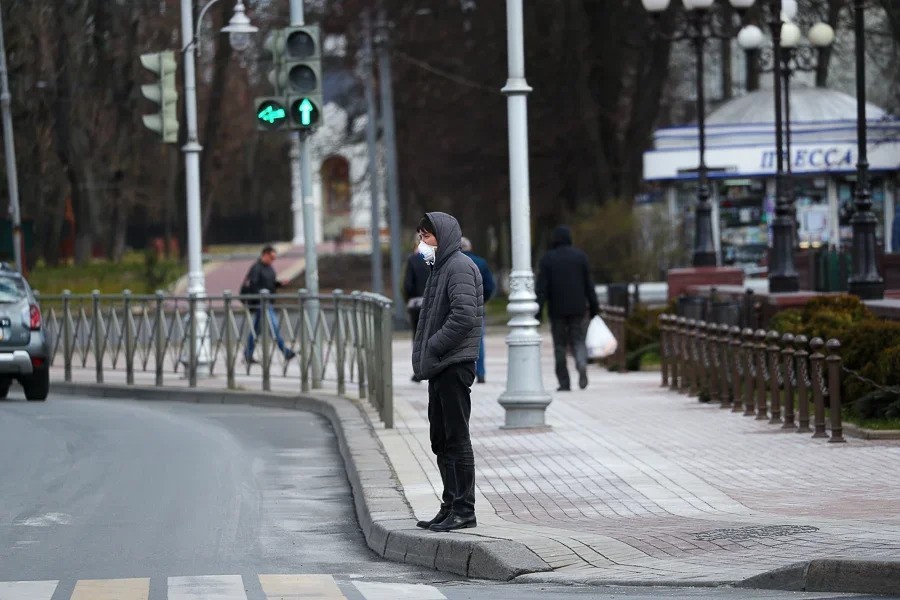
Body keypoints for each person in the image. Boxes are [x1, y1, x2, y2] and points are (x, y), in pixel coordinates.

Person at [412, 212, 483, 532]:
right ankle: (449, 504)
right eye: (420, 237)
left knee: (456, 438)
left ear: (442, 237)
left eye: (426, 237)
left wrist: (435, 346)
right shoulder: (440, 269)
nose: (422, 244)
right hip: (441, 364)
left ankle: (464, 510)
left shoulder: (458, 267)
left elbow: (464, 315)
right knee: (440, 439)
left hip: (454, 363)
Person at [535, 225, 599, 391]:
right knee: (578, 340)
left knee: (560, 345)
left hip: (557, 309)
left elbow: (542, 288)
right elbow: (588, 285)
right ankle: (581, 363)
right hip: (578, 308)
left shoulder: (548, 259)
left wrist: (538, 311)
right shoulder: (580, 257)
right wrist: (594, 307)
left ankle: (564, 382)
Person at [241, 245, 296, 364]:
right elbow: (253, 285)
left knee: (256, 331)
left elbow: (270, 283)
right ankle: (285, 352)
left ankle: (247, 354)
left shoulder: (269, 268)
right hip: (261, 304)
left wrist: (279, 284)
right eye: (271, 257)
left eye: (274, 258)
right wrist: (260, 297)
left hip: (267, 302)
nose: (273, 260)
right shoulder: (256, 268)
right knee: (273, 327)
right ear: (265, 255)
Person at [461, 236, 495, 383]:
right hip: (477, 306)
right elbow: (489, 286)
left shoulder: (453, 264)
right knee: (479, 340)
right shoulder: (481, 263)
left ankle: (463, 373)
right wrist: (482, 299)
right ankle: (480, 373)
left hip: (458, 307)